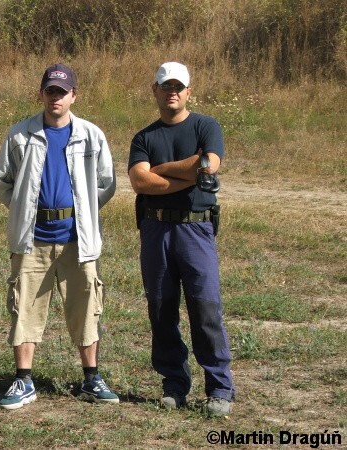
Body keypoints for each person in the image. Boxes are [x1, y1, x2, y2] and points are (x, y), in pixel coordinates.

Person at [0, 63, 118, 410]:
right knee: (25, 307)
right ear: (41, 94)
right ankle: (23, 379)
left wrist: (84, 211)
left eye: (62, 92)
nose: (55, 97)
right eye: (50, 91)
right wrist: (23, 208)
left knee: (86, 306)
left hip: (78, 240)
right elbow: (1, 181)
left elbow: (106, 183)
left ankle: (91, 378)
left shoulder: (91, 135)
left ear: (74, 95)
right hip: (33, 239)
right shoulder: (20, 135)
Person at [128, 62, 235, 417]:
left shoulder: (206, 125)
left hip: (196, 229)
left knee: (205, 308)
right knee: (161, 309)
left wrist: (159, 169)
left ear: (189, 91)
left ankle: (219, 387)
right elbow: (140, 183)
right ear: (154, 91)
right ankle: (174, 383)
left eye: (178, 86)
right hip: (156, 230)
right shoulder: (144, 137)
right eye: (165, 86)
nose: (171, 91)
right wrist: (187, 172)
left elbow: (208, 164)